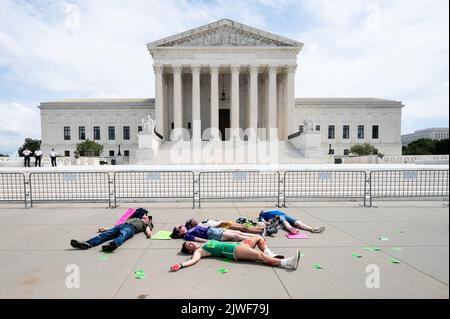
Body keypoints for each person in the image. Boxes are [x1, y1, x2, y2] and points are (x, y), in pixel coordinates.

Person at [170, 236, 301, 272]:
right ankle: (288, 262)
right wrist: (181, 265)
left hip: (239, 245)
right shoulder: (199, 251)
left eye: (189, 242)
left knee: (258, 237)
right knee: (259, 256)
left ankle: (271, 254)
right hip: (234, 251)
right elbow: (194, 261)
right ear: (189, 250)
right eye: (188, 245)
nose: (190, 243)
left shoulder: (204, 243)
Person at [70, 215, 153, 252]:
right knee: (104, 235)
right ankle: (87, 244)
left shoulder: (146, 223)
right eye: (144, 216)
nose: (145, 216)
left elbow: (148, 229)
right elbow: (115, 227)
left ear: (149, 220)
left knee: (122, 236)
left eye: (147, 217)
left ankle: (112, 245)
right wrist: (105, 229)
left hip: (131, 228)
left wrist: (149, 233)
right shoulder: (135, 218)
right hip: (120, 226)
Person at [258, 209, 325, 234]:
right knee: (284, 222)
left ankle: (312, 229)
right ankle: (291, 229)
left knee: (298, 222)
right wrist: (268, 222)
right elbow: (263, 221)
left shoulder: (271, 210)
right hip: (278, 217)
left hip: (284, 215)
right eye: (262, 211)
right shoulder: (263, 215)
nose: (263, 210)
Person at [171, 224, 258, 243]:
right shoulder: (187, 235)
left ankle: (257, 236)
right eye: (179, 227)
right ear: (179, 233)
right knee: (236, 236)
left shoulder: (189, 228)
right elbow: (198, 239)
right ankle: (256, 239)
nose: (182, 225)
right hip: (212, 234)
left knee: (238, 232)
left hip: (214, 230)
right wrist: (208, 242)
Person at [184, 218, 265, 235]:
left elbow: (213, 221)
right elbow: (212, 227)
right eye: (192, 221)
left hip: (223, 223)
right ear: (191, 225)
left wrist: (221, 220)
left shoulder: (200, 223)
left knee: (244, 226)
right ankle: (260, 231)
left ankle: (263, 229)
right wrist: (221, 224)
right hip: (223, 226)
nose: (194, 220)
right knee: (243, 229)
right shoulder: (199, 226)